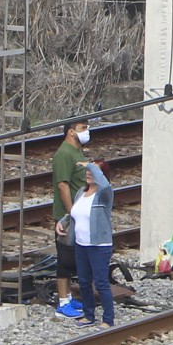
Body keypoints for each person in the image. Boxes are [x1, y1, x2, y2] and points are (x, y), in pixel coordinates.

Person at [59, 160, 115, 328]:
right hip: (81, 244)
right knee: (83, 281)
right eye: (88, 171)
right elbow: (75, 212)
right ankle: (88, 315)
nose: (89, 173)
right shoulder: (80, 193)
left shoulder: (104, 194)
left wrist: (89, 165)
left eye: (94, 171)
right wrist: (63, 221)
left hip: (99, 245)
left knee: (101, 282)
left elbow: (104, 185)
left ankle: (108, 319)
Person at [51, 120, 91, 319]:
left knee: (73, 257)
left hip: (78, 213)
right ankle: (63, 301)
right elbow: (63, 186)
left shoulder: (76, 152)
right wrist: (71, 213)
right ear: (71, 132)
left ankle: (68, 297)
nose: (87, 131)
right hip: (68, 216)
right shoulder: (64, 154)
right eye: (83, 128)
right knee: (65, 258)